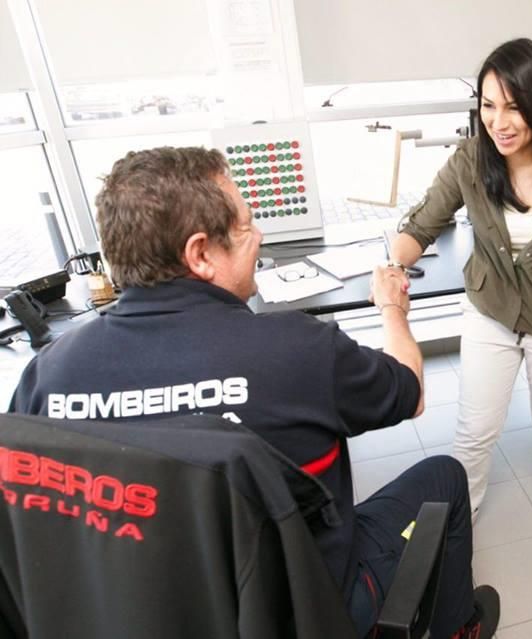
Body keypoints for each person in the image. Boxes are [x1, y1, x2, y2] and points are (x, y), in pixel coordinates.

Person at [8, 146, 500, 639]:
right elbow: (409, 392)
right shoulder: (296, 350)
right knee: (445, 477)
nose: (258, 235)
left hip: (138, 615)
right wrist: (392, 309)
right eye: (245, 225)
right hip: (307, 610)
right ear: (201, 254)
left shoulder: (47, 376)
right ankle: (460, 630)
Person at [389, 38, 532, 534]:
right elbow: (423, 225)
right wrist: (393, 264)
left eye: (514, 107)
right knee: (474, 427)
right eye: (488, 106)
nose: (499, 122)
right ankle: (463, 502)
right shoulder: (470, 160)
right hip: (490, 311)